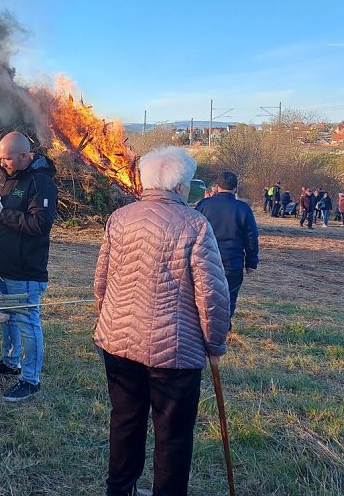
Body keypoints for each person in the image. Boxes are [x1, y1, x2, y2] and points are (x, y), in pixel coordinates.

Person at [94, 146, 230, 496]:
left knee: (125, 420)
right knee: (173, 433)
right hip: (175, 351)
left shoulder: (119, 218)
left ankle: (119, 489)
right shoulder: (195, 224)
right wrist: (215, 343)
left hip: (119, 342)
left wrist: (110, 320)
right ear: (181, 187)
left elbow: (101, 282)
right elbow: (212, 294)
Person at [0, 131, 57, 403]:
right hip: (2, 264)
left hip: (25, 269)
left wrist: (2, 215)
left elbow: (40, 224)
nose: (2, 162)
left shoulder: (41, 182)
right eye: (0, 158)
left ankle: (30, 380)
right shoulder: (8, 177)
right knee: (7, 317)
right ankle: (10, 363)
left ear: (24, 155)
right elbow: (3, 204)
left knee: (28, 321)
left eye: (7, 158)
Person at [195, 171, 259, 325]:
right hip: (232, 263)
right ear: (235, 189)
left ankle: (204, 328)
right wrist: (251, 262)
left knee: (203, 297)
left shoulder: (204, 205)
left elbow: (192, 231)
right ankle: (222, 329)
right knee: (228, 298)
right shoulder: (243, 208)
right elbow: (251, 237)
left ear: (217, 187)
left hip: (205, 261)